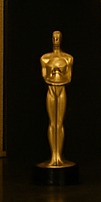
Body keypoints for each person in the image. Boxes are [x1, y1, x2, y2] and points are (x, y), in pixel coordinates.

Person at [40, 30, 74, 167]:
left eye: (58, 37)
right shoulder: (45, 58)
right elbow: (44, 76)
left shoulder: (68, 58)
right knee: (52, 122)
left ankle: (58, 155)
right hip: (51, 89)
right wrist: (55, 75)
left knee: (59, 123)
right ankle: (53, 155)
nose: (56, 40)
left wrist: (57, 74)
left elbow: (69, 77)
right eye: (54, 37)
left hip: (61, 89)